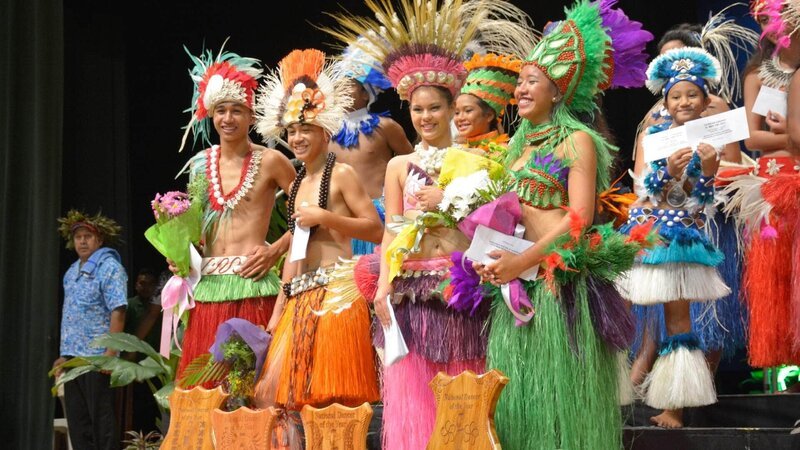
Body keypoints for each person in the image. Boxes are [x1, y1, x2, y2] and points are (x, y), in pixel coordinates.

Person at [323, 0, 537, 448]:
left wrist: (453, 199)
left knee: (467, 387)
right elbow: (393, 229)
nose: (425, 118)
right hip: (412, 289)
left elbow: (497, 223)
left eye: (434, 109)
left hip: (461, 287)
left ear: (451, 108)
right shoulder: (400, 165)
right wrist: (383, 284)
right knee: (416, 394)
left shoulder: (481, 160)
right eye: (418, 110)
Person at [473, 1, 653, 447]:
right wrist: (488, 258)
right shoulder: (514, 147)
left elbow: (579, 219)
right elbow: (504, 214)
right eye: (518, 83)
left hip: (561, 283)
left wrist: (524, 261)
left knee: (563, 399)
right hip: (519, 283)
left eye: (531, 81)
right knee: (519, 396)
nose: (520, 90)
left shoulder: (578, 141)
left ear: (557, 92)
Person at [252, 48, 382, 415]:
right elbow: (295, 252)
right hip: (300, 298)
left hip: (338, 293)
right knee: (289, 401)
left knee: (334, 401)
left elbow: (375, 229)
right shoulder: (295, 186)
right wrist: (279, 309)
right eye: (292, 131)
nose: (297, 138)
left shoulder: (341, 174)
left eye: (305, 129)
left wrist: (326, 218)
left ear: (324, 130)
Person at [619, 46, 734, 428]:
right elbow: (645, 192)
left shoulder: (710, 143)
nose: (684, 101)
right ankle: (624, 388)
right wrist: (664, 169)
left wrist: (703, 167)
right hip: (646, 236)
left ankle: (676, 406)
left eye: (692, 94)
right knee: (627, 315)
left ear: (705, 100)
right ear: (665, 101)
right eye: (676, 95)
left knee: (678, 322)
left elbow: (699, 196)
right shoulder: (653, 137)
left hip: (681, 238)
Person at [173, 43, 296, 382]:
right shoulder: (199, 166)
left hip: (253, 284)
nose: (228, 118)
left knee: (253, 391)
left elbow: (311, 210)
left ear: (251, 115)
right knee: (205, 389)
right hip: (210, 287)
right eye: (221, 110)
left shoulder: (272, 161)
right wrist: (181, 256)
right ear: (211, 115)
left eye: (237, 110)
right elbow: (196, 231)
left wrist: (276, 249)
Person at [722, 0, 800, 372]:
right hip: (775, 182)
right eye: (775, 15)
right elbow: (752, 138)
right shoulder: (757, 74)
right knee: (780, 274)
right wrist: (792, 139)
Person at [329, 35, 413, 255]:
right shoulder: (325, 132)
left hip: (380, 216)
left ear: (366, 94)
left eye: (348, 87)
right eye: (338, 87)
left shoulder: (386, 127)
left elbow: (413, 165)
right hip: (342, 218)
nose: (342, 92)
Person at [52, 210, 128, 450]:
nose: (82, 241)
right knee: (79, 423)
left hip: (98, 358)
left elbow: (119, 311)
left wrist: (110, 355)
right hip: (74, 360)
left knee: (102, 423)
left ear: (100, 240)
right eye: (78, 237)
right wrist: (64, 356)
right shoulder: (71, 272)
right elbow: (71, 316)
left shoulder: (110, 267)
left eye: (88, 236)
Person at [454, 53, 520, 155]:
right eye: (457, 113)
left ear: (489, 115)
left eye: (468, 110)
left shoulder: (502, 153)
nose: (460, 118)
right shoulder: (455, 149)